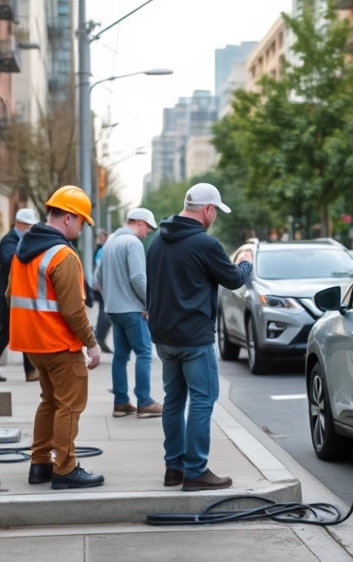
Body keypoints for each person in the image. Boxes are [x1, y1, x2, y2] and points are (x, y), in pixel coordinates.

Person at [147, 183, 252, 492]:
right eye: (215, 210)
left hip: (164, 337)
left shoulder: (156, 240)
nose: (215, 216)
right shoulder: (205, 244)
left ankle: (174, 468)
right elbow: (233, 279)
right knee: (203, 400)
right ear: (207, 209)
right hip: (194, 339)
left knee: (174, 401)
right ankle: (195, 471)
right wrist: (245, 261)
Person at [9, 186, 104, 490]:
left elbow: (11, 294)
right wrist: (92, 343)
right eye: (81, 222)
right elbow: (73, 309)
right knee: (70, 406)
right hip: (60, 344)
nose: (81, 228)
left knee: (49, 402)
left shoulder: (23, 251)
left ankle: (40, 464)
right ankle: (65, 469)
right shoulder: (62, 255)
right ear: (68, 218)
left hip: (33, 344)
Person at [97, 208, 163, 418]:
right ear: (140, 223)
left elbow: (97, 276)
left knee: (120, 356)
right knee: (144, 353)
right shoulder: (132, 243)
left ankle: (121, 402)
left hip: (114, 309)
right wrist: (149, 304)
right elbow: (138, 278)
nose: (148, 234)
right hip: (132, 309)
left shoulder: (110, 242)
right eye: (148, 229)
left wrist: (110, 297)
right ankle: (144, 402)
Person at [0, 208, 40, 383]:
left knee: (18, 331)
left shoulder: (20, 240)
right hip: (7, 294)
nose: (31, 229)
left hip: (14, 294)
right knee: (10, 332)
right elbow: (7, 259)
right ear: (20, 224)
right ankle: (26, 371)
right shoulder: (10, 240)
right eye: (29, 226)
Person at [92, 229, 112, 353]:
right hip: (102, 286)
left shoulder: (103, 249)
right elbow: (99, 270)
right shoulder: (103, 250)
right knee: (105, 312)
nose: (100, 238)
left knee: (103, 311)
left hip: (100, 285)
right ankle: (99, 337)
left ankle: (99, 337)